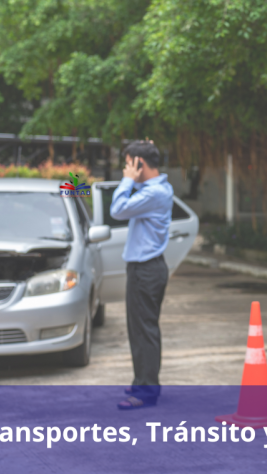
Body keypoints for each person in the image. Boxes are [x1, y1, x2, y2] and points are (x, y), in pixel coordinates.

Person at [110, 140, 174, 410]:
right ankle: (142, 381)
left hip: (146, 270)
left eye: (128, 163)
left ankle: (147, 391)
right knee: (138, 328)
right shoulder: (155, 188)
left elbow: (117, 209)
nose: (126, 168)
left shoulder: (155, 193)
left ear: (139, 164)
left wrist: (126, 180)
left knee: (145, 330)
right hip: (144, 268)